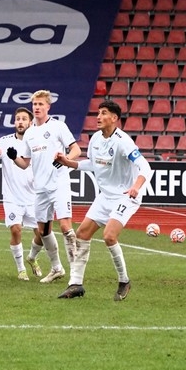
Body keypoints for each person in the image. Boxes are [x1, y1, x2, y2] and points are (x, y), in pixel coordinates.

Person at [53, 99, 152, 300]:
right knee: (82, 234)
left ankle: (124, 281)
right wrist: (68, 162)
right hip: (105, 196)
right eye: (98, 113)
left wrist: (136, 186)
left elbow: (145, 167)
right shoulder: (96, 139)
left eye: (103, 113)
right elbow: (92, 164)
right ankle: (75, 284)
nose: (98, 117)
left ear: (114, 118)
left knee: (109, 236)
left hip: (125, 196)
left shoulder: (123, 141)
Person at [9, 89, 81, 284]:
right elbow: (25, 163)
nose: (37, 107)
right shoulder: (30, 133)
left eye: (41, 104)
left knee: (66, 227)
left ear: (48, 107)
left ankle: (76, 273)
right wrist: (14, 157)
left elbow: (76, 149)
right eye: (35, 104)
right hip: (40, 188)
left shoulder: (58, 126)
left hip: (59, 183)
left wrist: (66, 159)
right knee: (43, 231)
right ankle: (57, 268)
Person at [0, 106, 44, 281]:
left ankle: (32, 257)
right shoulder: (4, 141)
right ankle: (21, 269)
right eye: (18, 119)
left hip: (34, 197)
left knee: (42, 234)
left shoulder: (36, 142)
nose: (20, 122)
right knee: (16, 230)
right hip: (12, 197)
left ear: (30, 123)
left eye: (24, 119)